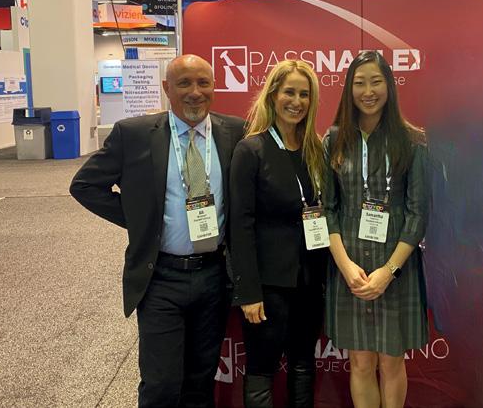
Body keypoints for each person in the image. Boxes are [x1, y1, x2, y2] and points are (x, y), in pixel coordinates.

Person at [70, 54, 245, 408]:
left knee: (201, 381)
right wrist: (142, 221)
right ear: (167, 88)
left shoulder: (235, 131)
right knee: (161, 385)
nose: (195, 92)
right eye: (184, 83)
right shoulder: (134, 134)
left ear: (214, 87)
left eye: (203, 83)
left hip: (214, 276)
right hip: (161, 278)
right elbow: (85, 185)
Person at [323, 50, 429, 408]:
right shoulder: (333, 140)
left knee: (392, 362)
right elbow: (327, 210)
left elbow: (417, 214)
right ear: (349, 89)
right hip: (349, 267)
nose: (368, 91)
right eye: (359, 83)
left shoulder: (412, 141)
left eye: (376, 82)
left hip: (396, 266)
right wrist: (345, 266)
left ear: (389, 86)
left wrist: (388, 271)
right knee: (361, 362)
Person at [229, 60, 329, 408]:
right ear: (273, 95)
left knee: (304, 363)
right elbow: (239, 226)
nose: (296, 101)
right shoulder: (251, 150)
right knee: (262, 367)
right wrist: (248, 291)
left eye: (304, 94)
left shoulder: (316, 148)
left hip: (310, 282)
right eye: (289, 92)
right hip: (267, 285)